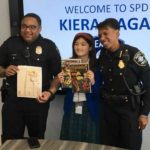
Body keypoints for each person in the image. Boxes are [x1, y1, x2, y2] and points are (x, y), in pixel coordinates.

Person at [0, 13, 61, 143]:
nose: (28, 30)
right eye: (24, 26)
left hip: (38, 103)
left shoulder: (49, 46)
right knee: (10, 141)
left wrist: (50, 92)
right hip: (13, 102)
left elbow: (58, 75)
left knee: (36, 140)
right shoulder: (10, 44)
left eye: (32, 27)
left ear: (39, 29)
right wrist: (5, 71)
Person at [97, 18, 150, 150]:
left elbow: (148, 83)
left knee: (130, 146)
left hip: (129, 111)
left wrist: (144, 113)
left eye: (105, 33)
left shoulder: (133, 53)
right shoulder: (103, 54)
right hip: (108, 111)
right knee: (108, 147)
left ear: (117, 33)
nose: (102, 38)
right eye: (99, 35)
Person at [38, 32, 101, 144]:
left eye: (83, 44)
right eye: (76, 44)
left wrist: (93, 82)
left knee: (90, 144)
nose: (79, 47)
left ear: (90, 47)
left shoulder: (97, 66)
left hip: (90, 110)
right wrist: (62, 81)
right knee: (70, 143)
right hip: (72, 108)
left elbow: (100, 94)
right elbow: (68, 89)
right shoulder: (68, 64)